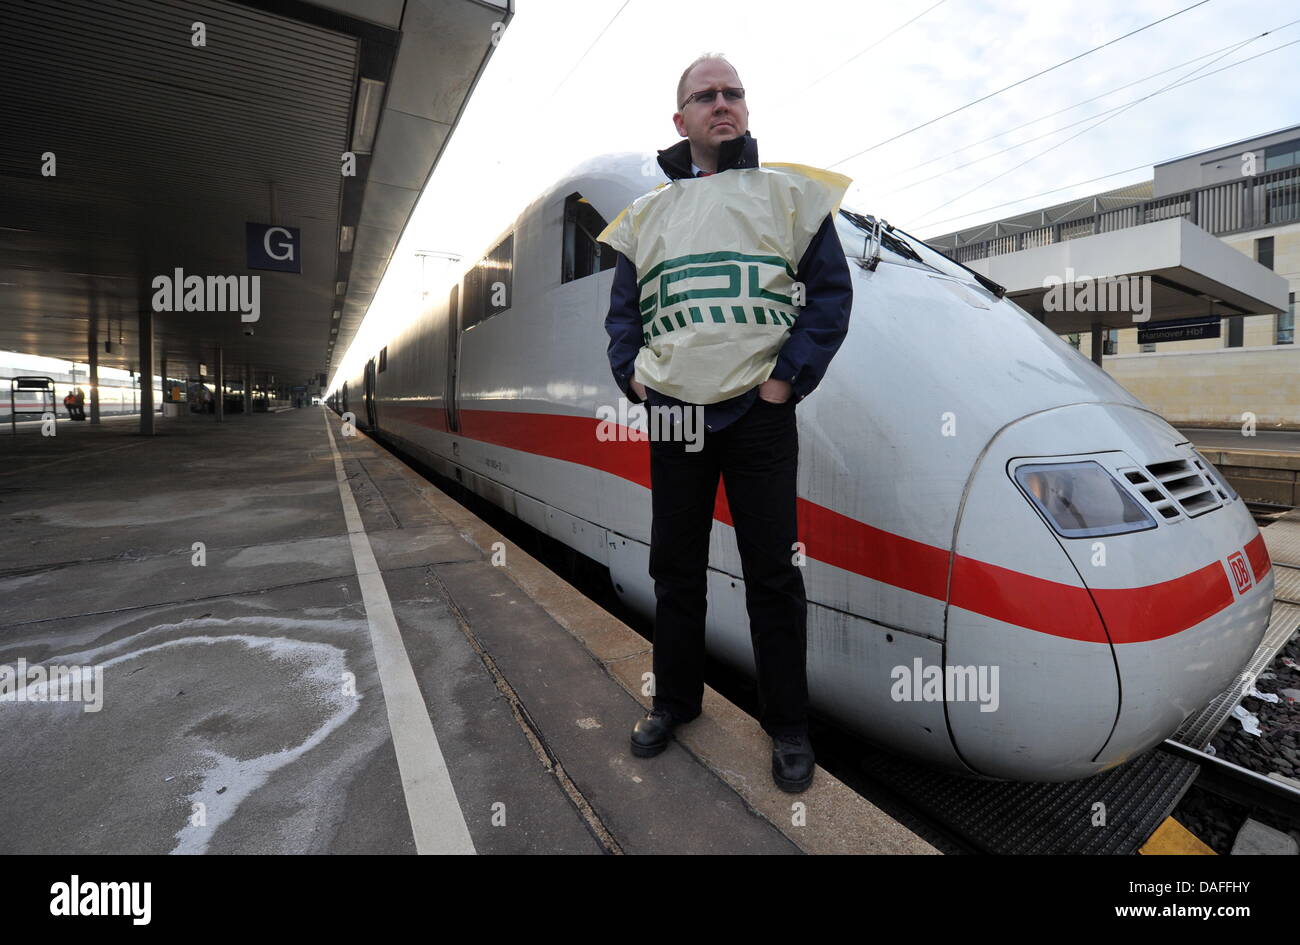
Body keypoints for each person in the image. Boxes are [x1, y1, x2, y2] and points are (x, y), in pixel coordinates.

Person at [599, 54, 853, 792]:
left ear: (745, 109)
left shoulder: (788, 198)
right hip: (675, 413)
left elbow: (830, 296)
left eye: (733, 93)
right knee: (674, 568)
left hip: (757, 415)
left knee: (772, 573)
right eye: (705, 96)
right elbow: (623, 316)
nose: (723, 104)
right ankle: (675, 702)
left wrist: (786, 380)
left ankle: (789, 727)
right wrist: (634, 377)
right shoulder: (646, 216)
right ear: (680, 120)